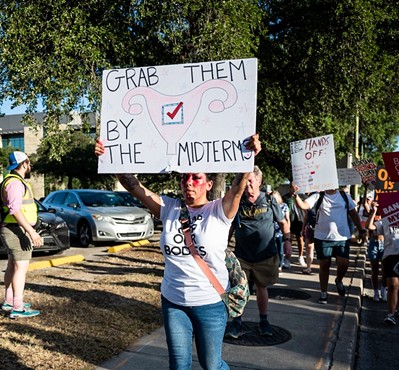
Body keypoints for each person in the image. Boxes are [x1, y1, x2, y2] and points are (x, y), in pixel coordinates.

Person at [95, 134, 261, 370]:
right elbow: (134, 187)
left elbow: (238, 186)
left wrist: (248, 156)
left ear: (209, 184)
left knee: (211, 365)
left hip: (210, 303)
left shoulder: (220, 211)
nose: (189, 182)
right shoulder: (169, 208)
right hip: (173, 302)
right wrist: (111, 158)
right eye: (185, 178)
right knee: (179, 365)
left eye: (196, 177)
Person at [226, 166, 292, 338]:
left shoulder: (269, 201)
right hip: (242, 255)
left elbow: (283, 223)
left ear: (259, 182)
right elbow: (231, 225)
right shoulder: (238, 201)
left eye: (250, 181)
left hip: (265, 255)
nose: (248, 186)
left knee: (262, 287)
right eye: (245, 182)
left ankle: (264, 321)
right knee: (240, 289)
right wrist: (223, 245)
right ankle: (236, 322)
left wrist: (287, 241)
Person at [290, 184, 366, 303]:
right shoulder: (318, 196)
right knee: (324, 265)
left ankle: (339, 280)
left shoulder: (344, 196)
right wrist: (295, 195)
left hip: (342, 237)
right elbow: (304, 206)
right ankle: (323, 293)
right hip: (322, 237)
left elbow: (353, 214)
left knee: (344, 264)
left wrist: (361, 230)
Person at [0, 151, 43, 319]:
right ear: (25, 164)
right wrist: (31, 232)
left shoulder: (11, 181)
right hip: (16, 230)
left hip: (13, 229)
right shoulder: (15, 184)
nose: (30, 166)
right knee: (21, 269)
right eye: (29, 163)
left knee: (12, 266)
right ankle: (17, 307)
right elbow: (15, 210)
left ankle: (9, 301)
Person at [366, 201, 399, 325]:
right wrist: (373, 211)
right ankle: (391, 314)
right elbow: (370, 226)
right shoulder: (385, 221)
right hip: (390, 255)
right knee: (393, 285)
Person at [360, 192, 385, 302]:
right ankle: (375, 292)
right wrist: (365, 188)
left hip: (384, 243)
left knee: (385, 271)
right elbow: (364, 203)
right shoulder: (372, 212)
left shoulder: (387, 214)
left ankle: (383, 291)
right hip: (373, 243)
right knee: (374, 270)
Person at [285, 191, 307, 266]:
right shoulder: (286, 197)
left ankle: (301, 256)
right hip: (289, 220)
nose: (293, 188)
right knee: (289, 239)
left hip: (299, 220)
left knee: (300, 239)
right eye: (291, 186)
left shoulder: (302, 196)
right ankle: (287, 258)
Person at [271, 190, 291, 271]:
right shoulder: (270, 206)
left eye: (275, 198)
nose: (274, 200)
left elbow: (287, 219)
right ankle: (273, 265)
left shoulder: (284, 206)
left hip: (281, 232)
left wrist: (287, 231)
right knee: (273, 250)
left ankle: (280, 266)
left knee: (280, 250)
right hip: (272, 231)